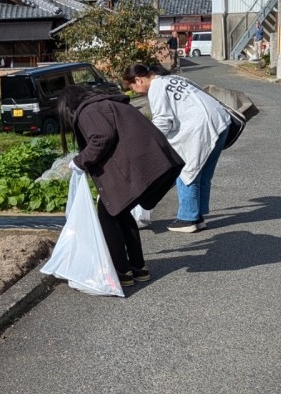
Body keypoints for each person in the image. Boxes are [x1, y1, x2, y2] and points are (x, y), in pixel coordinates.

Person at [58, 84, 183, 287]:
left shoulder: (88, 110)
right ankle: (138, 268)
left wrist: (80, 161)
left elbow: (101, 137)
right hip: (150, 163)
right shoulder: (109, 103)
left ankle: (121, 272)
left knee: (108, 216)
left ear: (68, 106)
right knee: (121, 212)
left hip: (138, 167)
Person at [122, 63, 231, 232]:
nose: (136, 92)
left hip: (200, 127)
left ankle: (188, 219)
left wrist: (146, 142)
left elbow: (163, 121)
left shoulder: (156, 88)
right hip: (221, 121)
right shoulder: (172, 78)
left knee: (186, 171)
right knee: (203, 172)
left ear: (138, 80)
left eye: (133, 87)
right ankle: (198, 215)